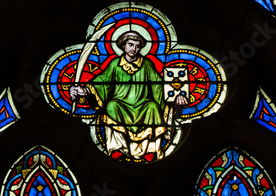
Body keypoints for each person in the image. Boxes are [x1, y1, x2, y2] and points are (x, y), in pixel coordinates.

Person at [68, 31, 187, 161]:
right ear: (123, 46)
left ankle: (150, 150)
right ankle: (117, 148)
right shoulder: (115, 64)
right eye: (130, 45)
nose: (133, 49)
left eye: (137, 46)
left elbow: (158, 87)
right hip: (120, 104)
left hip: (143, 104)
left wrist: (173, 99)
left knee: (153, 107)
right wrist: (85, 91)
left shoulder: (147, 64)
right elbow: (102, 82)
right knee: (111, 106)